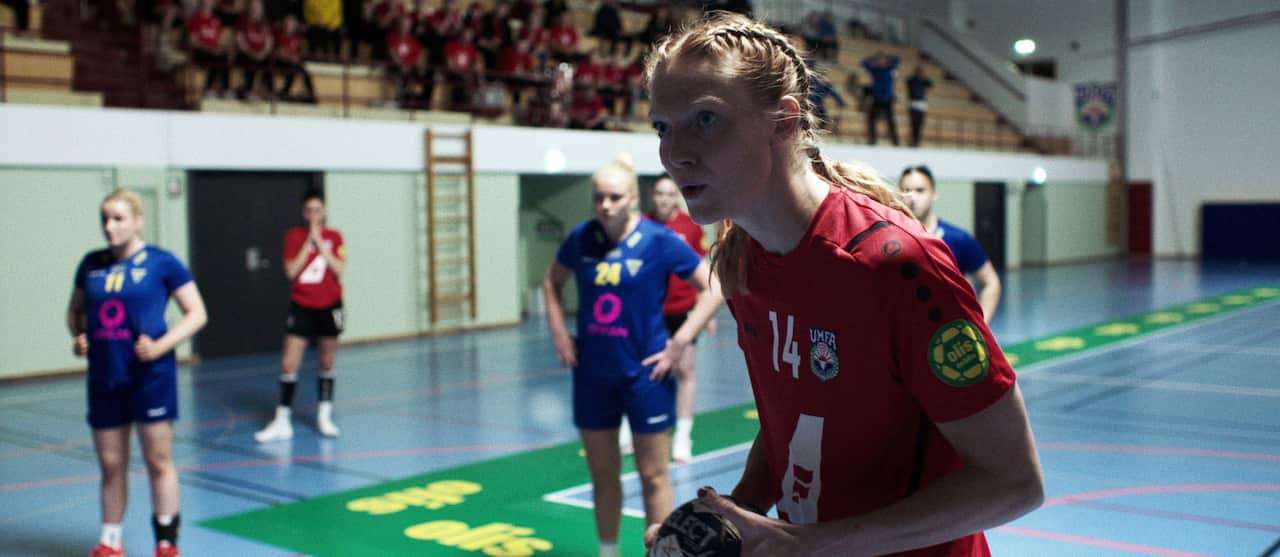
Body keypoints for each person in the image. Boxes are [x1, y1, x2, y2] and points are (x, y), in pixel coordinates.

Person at [642, 13, 1042, 555]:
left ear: (783, 121)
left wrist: (811, 543)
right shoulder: (742, 262)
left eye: (706, 120)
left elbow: (1014, 484)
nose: (675, 153)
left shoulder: (897, 264)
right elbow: (794, 414)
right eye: (663, 127)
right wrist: (740, 520)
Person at [543, 155, 722, 557]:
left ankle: (660, 553)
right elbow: (551, 281)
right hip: (592, 375)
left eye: (614, 197)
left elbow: (714, 287)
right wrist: (559, 331)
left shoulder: (660, 241)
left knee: (654, 476)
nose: (604, 206)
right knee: (603, 475)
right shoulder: (581, 238)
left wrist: (680, 342)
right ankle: (609, 552)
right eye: (598, 198)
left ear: (633, 199)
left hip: (646, 377)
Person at [69, 189, 208, 557]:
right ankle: (110, 541)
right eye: (105, 219)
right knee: (111, 464)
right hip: (105, 378)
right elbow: (76, 312)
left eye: (118, 218)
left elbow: (197, 313)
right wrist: (79, 338)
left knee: (157, 460)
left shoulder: (162, 263)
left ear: (138, 220)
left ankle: (166, 542)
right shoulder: (91, 264)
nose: (109, 226)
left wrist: (161, 346)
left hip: (151, 378)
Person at [255, 189, 347, 442]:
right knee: (288, 363)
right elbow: (291, 272)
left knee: (327, 361)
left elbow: (340, 270)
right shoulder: (294, 237)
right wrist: (309, 243)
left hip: (330, 306)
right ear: (303, 212)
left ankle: (324, 415)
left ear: (324, 211)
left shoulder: (335, 236)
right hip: (302, 306)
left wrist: (322, 244)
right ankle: (282, 420)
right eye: (308, 211)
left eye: (317, 210)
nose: (313, 215)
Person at [645, 175, 716, 464]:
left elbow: (705, 268)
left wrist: (705, 312)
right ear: (653, 196)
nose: (665, 199)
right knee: (646, 371)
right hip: (650, 312)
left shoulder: (690, 226)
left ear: (677, 196)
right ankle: (635, 426)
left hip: (683, 311)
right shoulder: (642, 225)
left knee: (685, 370)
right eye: (660, 194)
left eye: (670, 194)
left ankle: (682, 436)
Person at [899, 165, 1001, 324]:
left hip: (949, 335)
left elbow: (990, 282)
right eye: (906, 191)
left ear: (934, 194)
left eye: (920, 190)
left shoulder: (959, 239)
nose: (912, 197)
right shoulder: (891, 240)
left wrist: (981, 326)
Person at [188, 0, 232, 99]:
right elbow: (193, 42)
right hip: (200, 52)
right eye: (205, 2)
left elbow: (220, 41)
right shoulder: (195, 19)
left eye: (209, 2)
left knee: (223, 56)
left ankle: (226, 90)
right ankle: (208, 90)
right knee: (216, 57)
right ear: (201, 3)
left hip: (213, 52)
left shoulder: (216, 20)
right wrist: (209, 49)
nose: (207, 4)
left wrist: (220, 49)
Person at [233, 0, 274, 101]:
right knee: (251, 61)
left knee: (268, 61)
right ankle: (248, 91)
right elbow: (239, 40)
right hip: (245, 53)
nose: (255, 10)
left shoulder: (265, 23)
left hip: (261, 55)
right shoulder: (242, 21)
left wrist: (262, 53)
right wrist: (251, 52)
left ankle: (270, 92)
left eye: (258, 8)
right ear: (249, 8)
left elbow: (269, 42)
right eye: (253, 7)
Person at [862, 50, 900, 145]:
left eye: (882, 60)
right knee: (871, 119)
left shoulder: (890, 68)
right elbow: (864, 62)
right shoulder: (874, 69)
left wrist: (887, 58)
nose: (881, 61)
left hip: (888, 99)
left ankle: (895, 141)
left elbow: (898, 59)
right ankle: (872, 140)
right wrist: (873, 59)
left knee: (890, 121)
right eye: (879, 60)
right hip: (877, 98)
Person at [906, 65, 933, 147]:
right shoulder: (912, 80)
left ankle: (917, 140)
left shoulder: (923, 81)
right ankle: (913, 140)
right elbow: (908, 81)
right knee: (913, 123)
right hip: (913, 103)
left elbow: (931, 84)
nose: (919, 73)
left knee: (919, 124)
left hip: (921, 104)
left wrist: (924, 77)